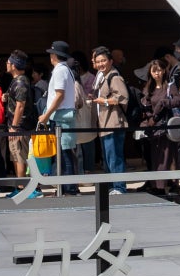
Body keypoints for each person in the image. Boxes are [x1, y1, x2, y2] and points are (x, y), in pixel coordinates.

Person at [39, 41, 84, 183]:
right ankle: (68, 187)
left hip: (60, 117)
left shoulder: (60, 70)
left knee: (64, 155)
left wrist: (46, 115)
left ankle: (69, 187)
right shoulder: (67, 70)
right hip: (65, 116)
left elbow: (59, 95)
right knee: (65, 154)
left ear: (54, 55)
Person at [90, 46, 129, 194]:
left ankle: (119, 187)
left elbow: (123, 96)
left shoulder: (114, 76)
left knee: (114, 157)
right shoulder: (103, 77)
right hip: (104, 123)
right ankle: (113, 186)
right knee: (107, 158)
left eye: (103, 60)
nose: (100, 64)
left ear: (111, 61)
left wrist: (105, 101)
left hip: (113, 123)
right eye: (98, 61)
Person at [4, 51, 39, 197]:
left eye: (8, 62)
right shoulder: (18, 80)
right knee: (15, 155)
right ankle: (20, 188)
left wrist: (14, 126)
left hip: (20, 126)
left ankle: (23, 189)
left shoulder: (20, 81)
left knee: (20, 157)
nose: (6, 64)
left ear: (13, 65)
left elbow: (20, 105)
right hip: (17, 125)